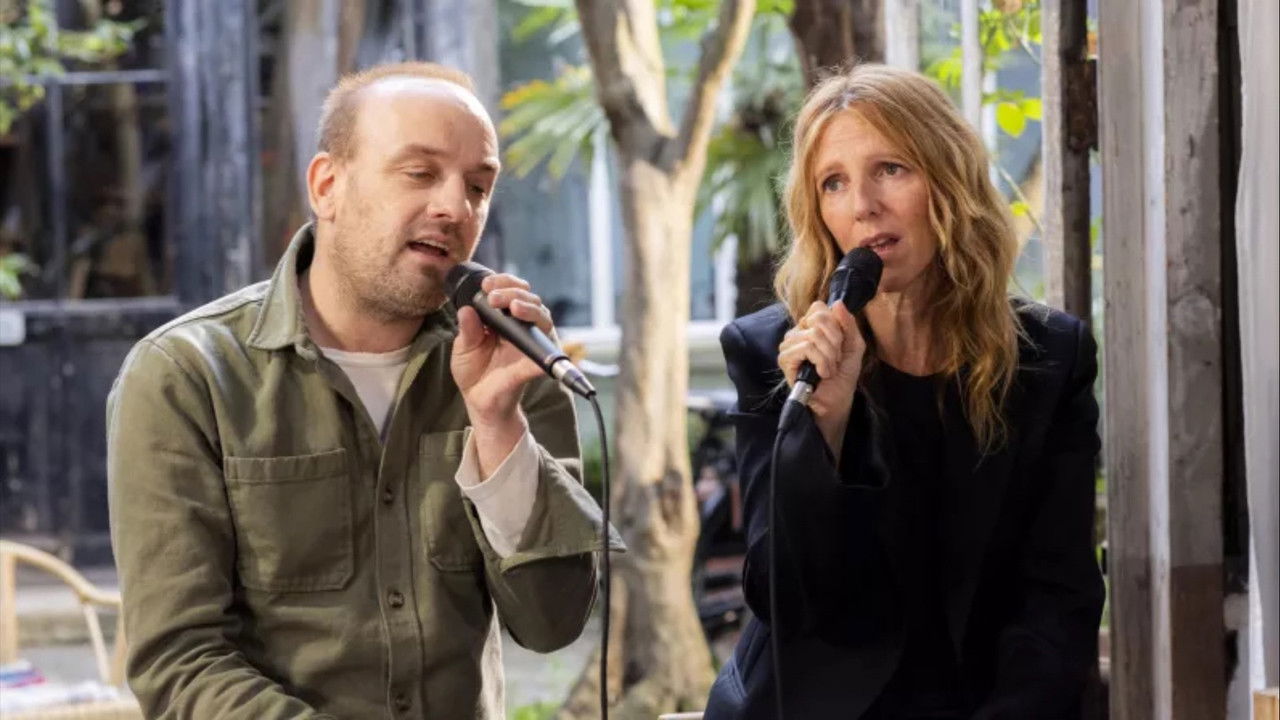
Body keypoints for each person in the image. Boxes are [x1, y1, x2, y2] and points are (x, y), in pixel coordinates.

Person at [107, 61, 619, 719]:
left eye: (479, 185)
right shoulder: (187, 375)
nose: (453, 206)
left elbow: (552, 626)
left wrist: (498, 431)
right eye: (419, 173)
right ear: (328, 185)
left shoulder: (512, 365)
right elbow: (178, 663)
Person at [704, 64, 1104, 719]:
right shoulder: (776, 354)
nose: (863, 205)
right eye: (834, 182)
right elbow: (783, 597)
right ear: (818, 211)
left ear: (946, 180)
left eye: (890, 169)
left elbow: (1056, 599)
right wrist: (823, 429)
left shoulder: (1050, 359)